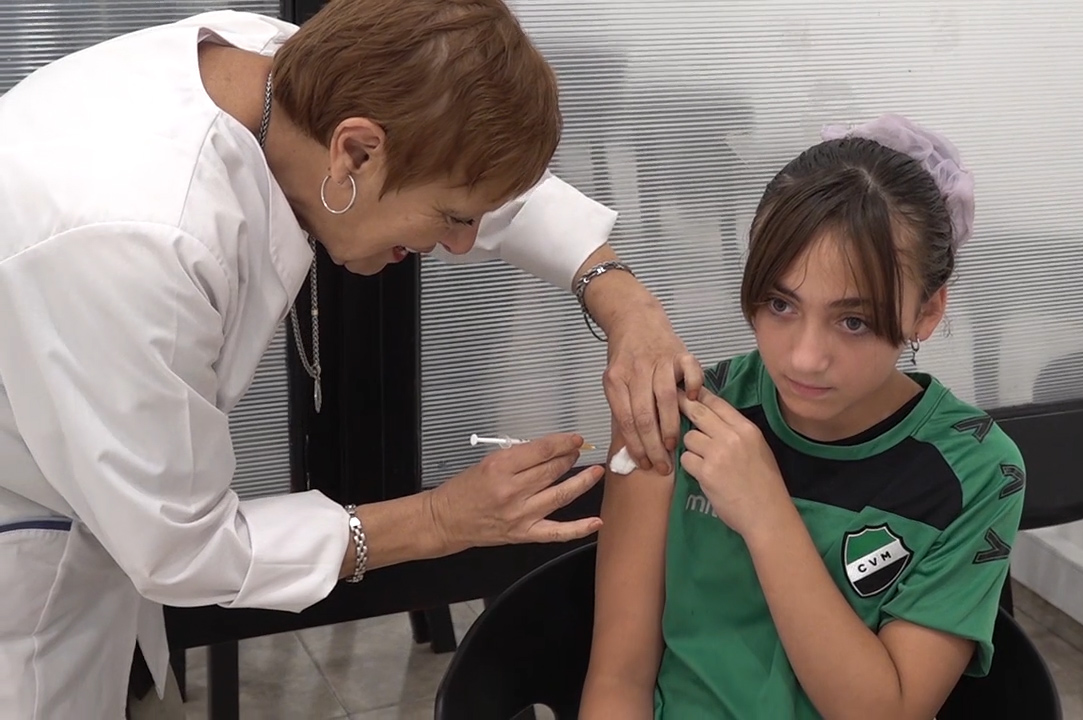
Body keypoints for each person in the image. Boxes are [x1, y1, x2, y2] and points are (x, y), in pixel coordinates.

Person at [0, 1, 703, 717]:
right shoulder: (141, 241)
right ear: (356, 153)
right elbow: (183, 548)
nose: (462, 246)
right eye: (451, 220)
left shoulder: (274, 65)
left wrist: (622, 300)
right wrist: (439, 521)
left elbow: (470, 171)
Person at [580, 114, 1028, 719]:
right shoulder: (676, 408)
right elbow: (618, 680)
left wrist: (767, 516)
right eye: (780, 303)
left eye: (853, 321)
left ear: (927, 311)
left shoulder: (976, 469)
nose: (804, 357)